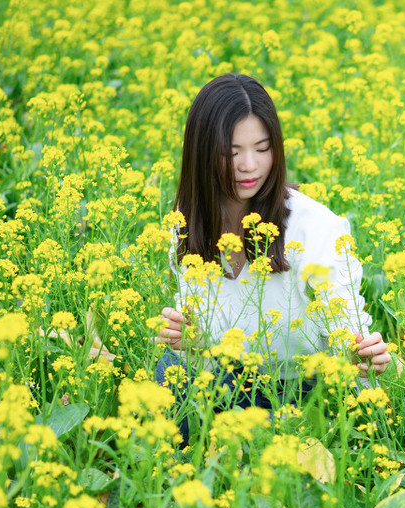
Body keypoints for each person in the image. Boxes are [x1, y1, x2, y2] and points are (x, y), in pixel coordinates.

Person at [154, 73, 392, 449]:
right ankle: (170, 477)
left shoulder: (313, 226)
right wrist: (191, 339)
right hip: (232, 380)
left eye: (262, 148)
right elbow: (208, 346)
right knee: (171, 367)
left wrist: (366, 359)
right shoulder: (186, 227)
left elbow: (349, 333)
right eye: (231, 152)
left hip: (304, 391)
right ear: (201, 154)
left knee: (260, 431)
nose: (249, 165)